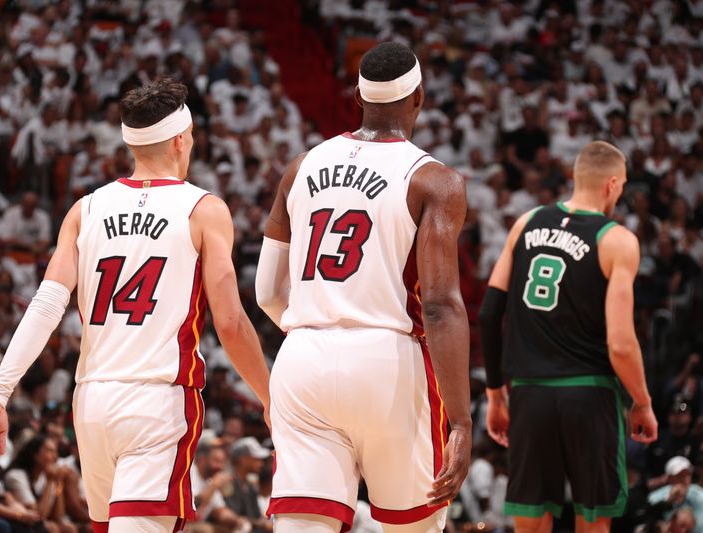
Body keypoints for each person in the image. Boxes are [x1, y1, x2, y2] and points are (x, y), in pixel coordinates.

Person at [0, 77, 271, 533]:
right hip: (155, 401)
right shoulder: (204, 209)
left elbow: (45, 307)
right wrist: (271, 398)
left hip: (91, 402)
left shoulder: (85, 209)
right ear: (179, 139)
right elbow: (229, 322)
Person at [255, 42, 471, 533]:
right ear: (419, 97)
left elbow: (267, 289)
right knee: (411, 526)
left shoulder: (302, 165)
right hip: (388, 364)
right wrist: (461, 419)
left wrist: (320, 320)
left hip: (302, 357)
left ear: (358, 95)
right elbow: (439, 306)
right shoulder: (435, 181)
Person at [479, 140, 659, 533]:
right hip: (589, 395)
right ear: (612, 185)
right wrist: (642, 402)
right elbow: (621, 343)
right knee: (592, 524)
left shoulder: (525, 224)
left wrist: (496, 393)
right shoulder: (617, 240)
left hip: (529, 394)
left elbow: (490, 314)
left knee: (530, 524)